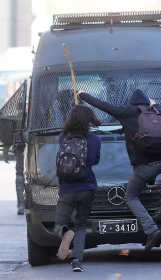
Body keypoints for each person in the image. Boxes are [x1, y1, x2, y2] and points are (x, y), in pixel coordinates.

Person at [78, 89, 161, 251]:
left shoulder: (127, 112)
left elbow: (102, 105)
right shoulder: (158, 111)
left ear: (132, 103)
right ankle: (149, 183)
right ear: (146, 102)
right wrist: (153, 103)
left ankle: (152, 230)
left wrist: (82, 95)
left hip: (145, 166)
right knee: (147, 175)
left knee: (130, 196)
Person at [54, 105, 102, 272]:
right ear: (89, 120)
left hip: (67, 189)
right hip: (87, 187)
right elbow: (95, 161)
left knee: (60, 224)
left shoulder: (63, 137)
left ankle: (66, 232)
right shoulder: (95, 140)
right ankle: (76, 261)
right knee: (81, 225)